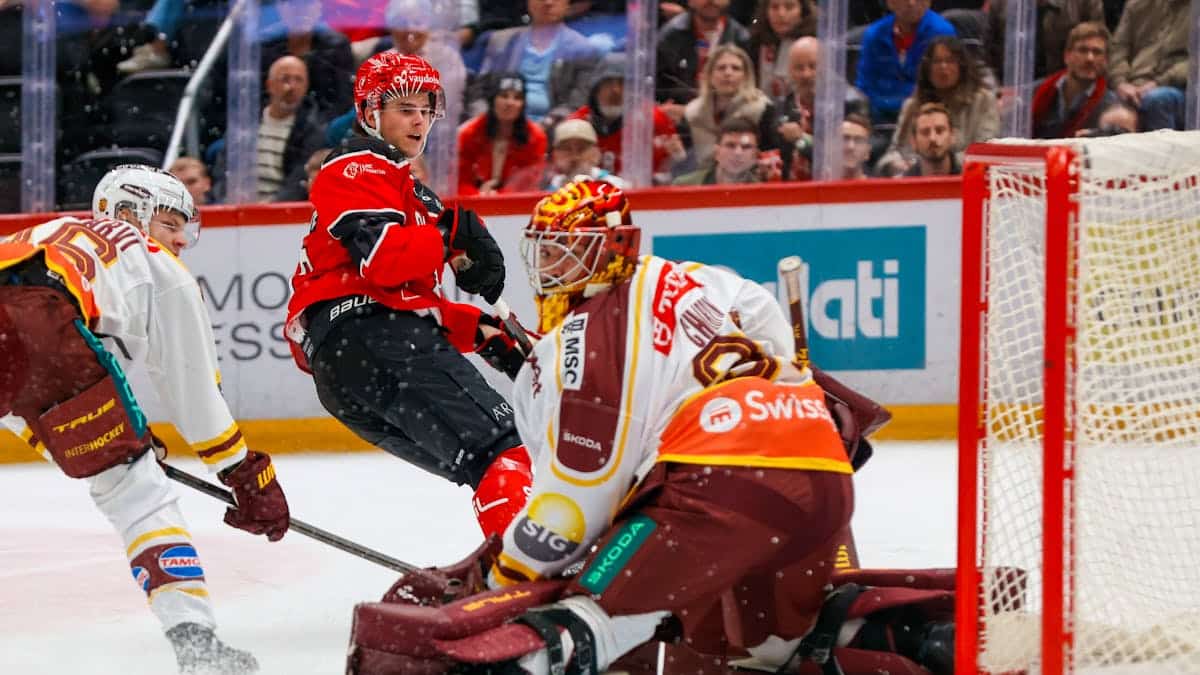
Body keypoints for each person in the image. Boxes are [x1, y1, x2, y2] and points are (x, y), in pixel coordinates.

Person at [345, 179, 954, 675]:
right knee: (763, 643)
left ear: (610, 250)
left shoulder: (580, 339)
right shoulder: (697, 280)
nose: (551, 269)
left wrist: (506, 577)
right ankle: (924, 636)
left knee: (596, 605)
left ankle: (522, 664)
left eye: (567, 252)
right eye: (546, 252)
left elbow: (577, 503)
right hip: (820, 475)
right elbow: (767, 333)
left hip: (721, 490)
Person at [0, 165, 290, 674]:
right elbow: (195, 397)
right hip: (42, 323)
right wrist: (245, 475)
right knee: (136, 491)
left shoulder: (45, 233)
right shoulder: (156, 263)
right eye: (171, 222)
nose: (181, 239)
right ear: (130, 213)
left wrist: (96, 440)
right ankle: (195, 643)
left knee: (125, 469)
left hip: (26, 318)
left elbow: (17, 394)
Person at [285, 51, 535, 541]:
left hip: (355, 366)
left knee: (483, 464)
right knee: (504, 451)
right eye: (404, 108)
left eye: (425, 108)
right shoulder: (357, 167)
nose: (419, 119)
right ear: (370, 113)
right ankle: (530, 573)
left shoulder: (408, 190)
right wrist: (449, 232)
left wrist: (483, 332)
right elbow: (384, 263)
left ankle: (510, 562)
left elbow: (407, 299)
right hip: (373, 340)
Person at [1031, 22, 1117, 140]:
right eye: (1082, 50)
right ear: (1067, 56)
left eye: (1097, 52)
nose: (1089, 58)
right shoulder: (1033, 93)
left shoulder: (1111, 107)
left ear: (1106, 61)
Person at [903, 102, 960, 176]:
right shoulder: (901, 184)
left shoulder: (972, 179)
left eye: (939, 131)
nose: (932, 138)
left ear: (952, 136)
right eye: (925, 132)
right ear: (913, 141)